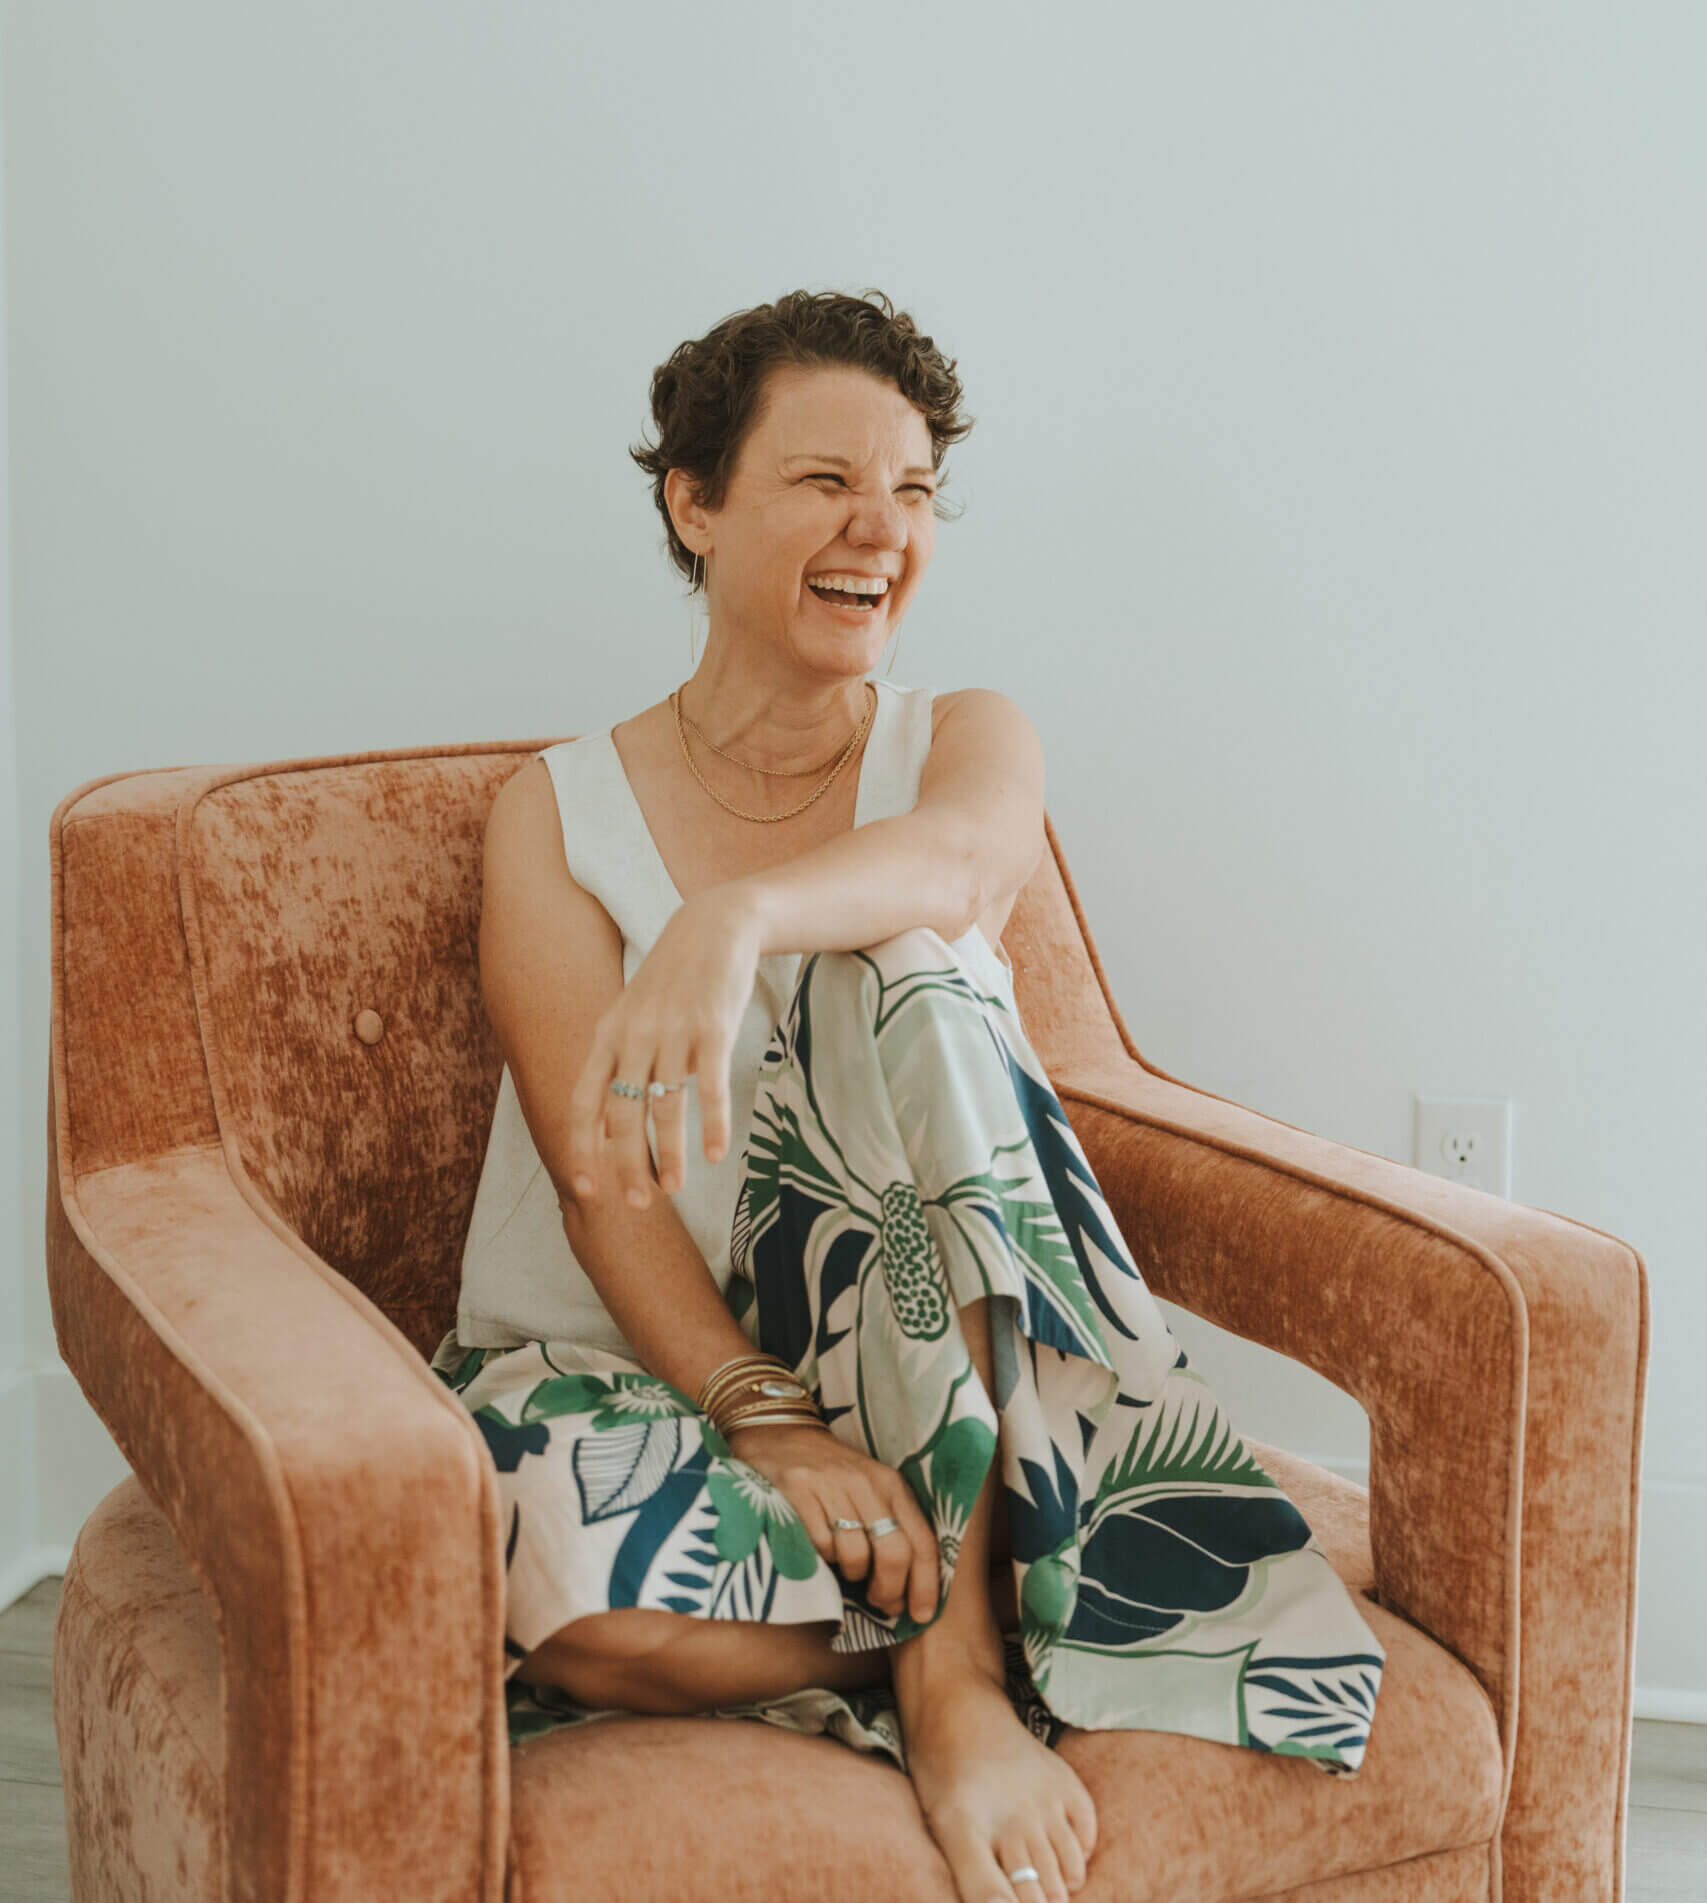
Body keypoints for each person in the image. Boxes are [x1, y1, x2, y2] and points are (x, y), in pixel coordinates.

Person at [432, 288, 1384, 1903]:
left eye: (919, 491)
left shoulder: (966, 741)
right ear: (695, 500)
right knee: (562, 1592)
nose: (883, 530)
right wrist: (775, 1426)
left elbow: (955, 869)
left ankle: (949, 1679)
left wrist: (737, 920)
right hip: (646, 1373)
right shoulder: (554, 814)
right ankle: (990, 1609)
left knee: (909, 971)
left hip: (938, 1351)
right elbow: (602, 1183)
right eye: (825, 482)